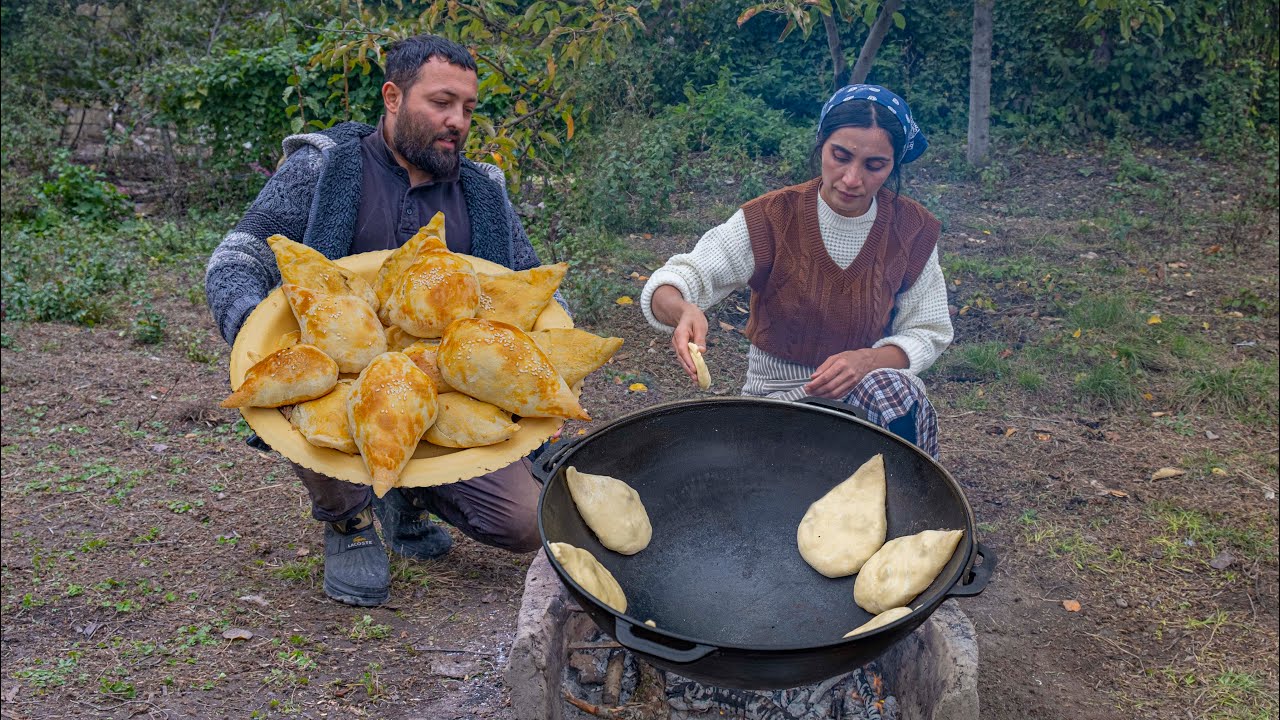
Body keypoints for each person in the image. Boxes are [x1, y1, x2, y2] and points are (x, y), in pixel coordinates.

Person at [205, 34, 549, 608]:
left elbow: (531, 290)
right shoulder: (326, 167)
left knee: (524, 525)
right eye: (441, 103)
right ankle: (348, 521)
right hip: (337, 382)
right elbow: (235, 259)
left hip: (446, 390)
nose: (457, 121)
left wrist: (539, 399)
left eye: (467, 108)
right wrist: (250, 330)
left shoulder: (483, 192)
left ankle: (408, 496)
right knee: (286, 389)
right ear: (393, 96)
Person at [640, 84, 953, 458]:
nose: (853, 179)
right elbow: (676, 280)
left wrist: (867, 360)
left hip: (865, 397)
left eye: (874, 165)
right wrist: (683, 310)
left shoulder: (911, 229)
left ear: (893, 165)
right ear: (821, 145)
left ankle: (903, 505)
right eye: (841, 156)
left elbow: (928, 330)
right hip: (777, 399)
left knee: (893, 389)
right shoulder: (772, 218)